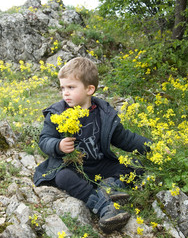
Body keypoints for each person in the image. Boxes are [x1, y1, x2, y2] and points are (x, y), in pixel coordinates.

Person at [33, 57, 151, 233]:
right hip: (73, 167)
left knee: (135, 165)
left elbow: (125, 139)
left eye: (71, 87)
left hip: (100, 164)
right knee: (63, 177)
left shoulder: (103, 114)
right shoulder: (56, 114)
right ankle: (102, 205)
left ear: (90, 89)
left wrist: (153, 148)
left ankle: (109, 187)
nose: (65, 93)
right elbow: (44, 140)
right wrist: (58, 145)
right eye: (62, 88)